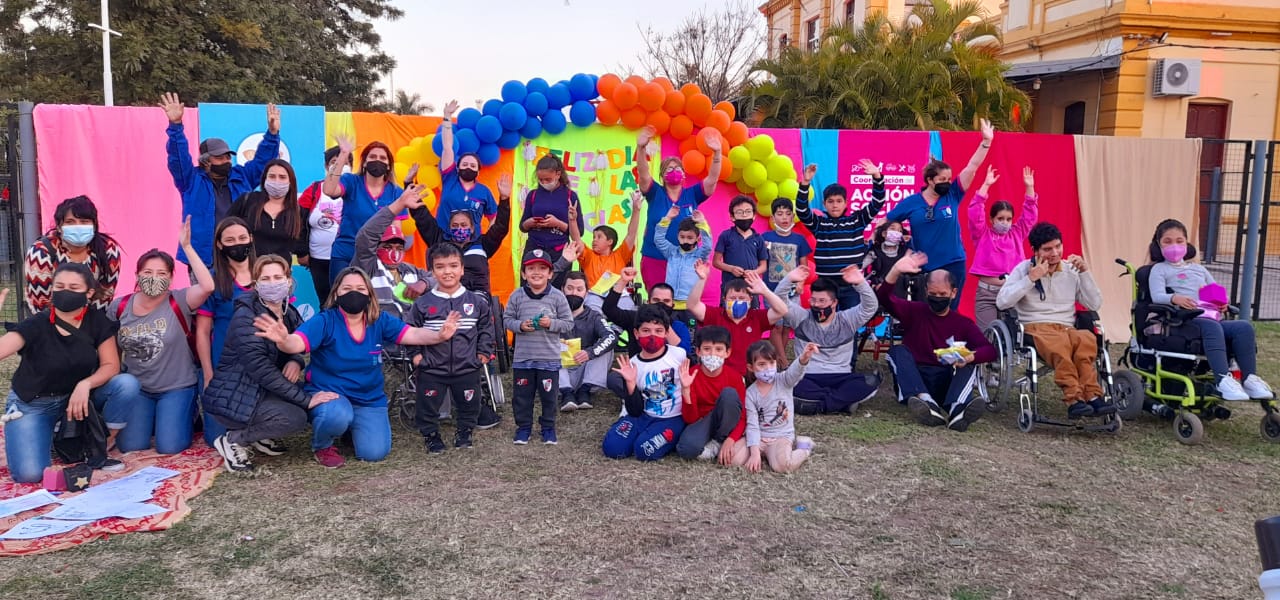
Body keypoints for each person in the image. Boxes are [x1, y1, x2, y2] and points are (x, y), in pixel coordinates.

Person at [253, 267, 461, 467]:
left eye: (361, 289)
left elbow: (412, 334)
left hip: (368, 398)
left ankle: (350, 430)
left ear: (370, 294)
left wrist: (439, 336)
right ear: (336, 293)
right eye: (347, 289)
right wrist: (282, 340)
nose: (354, 294)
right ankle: (323, 446)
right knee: (337, 415)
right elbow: (296, 343)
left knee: (375, 453)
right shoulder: (325, 321)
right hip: (330, 395)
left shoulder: (379, 320)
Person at [2, 266, 139, 482]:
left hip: (77, 400)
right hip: (33, 403)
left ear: (89, 293)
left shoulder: (97, 321)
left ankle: (103, 442)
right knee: (30, 474)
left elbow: (111, 365)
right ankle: (54, 434)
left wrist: (85, 384)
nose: (65, 292)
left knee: (126, 384)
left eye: (74, 287)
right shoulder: (36, 324)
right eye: (60, 287)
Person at [204, 255, 332, 472]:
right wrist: (306, 400)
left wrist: (295, 361)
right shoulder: (246, 316)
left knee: (309, 400)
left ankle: (260, 436)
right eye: (266, 278)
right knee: (296, 417)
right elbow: (260, 369)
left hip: (262, 390)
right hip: (239, 392)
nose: (273, 283)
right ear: (256, 284)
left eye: (278, 277)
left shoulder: (288, 312)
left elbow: (297, 344)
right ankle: (234, 439)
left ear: (289, 281)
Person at [109, 218, 215, 454]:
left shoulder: (179, 300)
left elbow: (207, 286)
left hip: (177, 386)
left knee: (170, 446)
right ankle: (156, 419)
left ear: (170, 277)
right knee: (131, 446)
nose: (154, 277)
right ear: (136, 275)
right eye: (147, 272)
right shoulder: (119, 307)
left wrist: (187, 247)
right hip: (139, 388)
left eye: (161, 273)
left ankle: (186, 414)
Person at [995, 223, 1116, 416]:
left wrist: (1085, 273)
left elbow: (1094, 304)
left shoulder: (1071, 270)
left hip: (1066, 328)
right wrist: (1030, 279)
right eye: (1047, 249)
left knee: (1085, 340)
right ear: (1035, 250)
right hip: (1035, 327)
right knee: (1060, 345)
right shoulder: (1023, 269)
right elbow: (1002, 302)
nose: (1055, 253)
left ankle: (1093, 395)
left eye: (1058, 246)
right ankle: (1073, 398)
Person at [1146, 218, 1273, 401]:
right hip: (1181, 319)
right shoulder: (1159, 269)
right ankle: (1222, 380)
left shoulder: (1199, 269)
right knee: (1212, 327)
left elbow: (1215, 292)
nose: (1174, 245)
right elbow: (1157, 296)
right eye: (1168, 241)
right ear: (1158, 245)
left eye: (1179, 241)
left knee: (1244, 327)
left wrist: (1222, 302)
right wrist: (1175, 298)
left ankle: (1250, 379)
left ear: (1186, 243)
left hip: (1208, 315)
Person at [160, 93, 279, 271]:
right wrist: (176, 126)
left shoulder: (242, 176)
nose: (226, 161)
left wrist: (272, 133)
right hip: (204, 257)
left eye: (227, 157)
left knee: (242, 298)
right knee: (205, 298)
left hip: (240, 255)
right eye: (220, 158)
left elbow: (263, 161)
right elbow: (178, 157)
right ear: (206, 160)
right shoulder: (190, 180)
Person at [881, 251, 998, 430]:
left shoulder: (963, 323)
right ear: (926, 292)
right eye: (933, 293)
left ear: (953, 293)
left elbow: (989, 351)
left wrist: (969, 357)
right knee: (897, 352)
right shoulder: (914, 311)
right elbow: (884, 298)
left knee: (971, 360)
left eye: (942, 293)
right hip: (915, 379)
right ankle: (925, 401)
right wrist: (896, 270)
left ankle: (956, 408)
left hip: (945, 379)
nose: (937, 298)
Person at [887, 119, 995, 308]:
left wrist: (986, 142)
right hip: (925, 268)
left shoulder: (953, 194)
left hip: (954, 263)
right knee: (928, 313)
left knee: (950, 313)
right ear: (930, 180)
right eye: (942, 179)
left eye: (949, 178)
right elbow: (887, 221)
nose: (947, 181)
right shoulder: (911, 202)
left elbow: (972, 166)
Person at [406, 243, 495, 454]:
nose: (448, 271)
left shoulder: (475, 301)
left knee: (470, 404)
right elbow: (409, 331)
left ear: (462, 269)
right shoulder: (423, 303)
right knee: (427, 405)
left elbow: (486, 328)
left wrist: (482, 353)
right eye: (440, 266)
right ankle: (431, 435)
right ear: (432, 271)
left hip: (467, 368)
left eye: (454, 265)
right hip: (432, 369)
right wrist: (416, 357)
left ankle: (464, 432)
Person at [775, 265, 880, 414]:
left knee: (871, 382)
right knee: (786, 382)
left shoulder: (848, 319)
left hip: (841, 376)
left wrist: (860, 283)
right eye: (813, 300)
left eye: (822, 301)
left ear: (834, 303)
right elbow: (778, 301)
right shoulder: (801, 317)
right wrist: (790, 279)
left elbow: (870, 307)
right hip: (807, 376)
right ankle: (842, 403)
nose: (816, 305)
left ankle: (818, 405)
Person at [503, 249, 575, 445]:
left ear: (550, 274)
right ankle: (523, 428)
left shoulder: (558, 296)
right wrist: (520, 326)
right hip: (523, 360)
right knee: (522, 397)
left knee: (549, 397)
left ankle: (548, 428)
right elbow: (506, 319)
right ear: (524, 273)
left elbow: (568, 323)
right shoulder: (517, 295)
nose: (537, 272)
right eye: (531, 268)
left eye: (542, 268)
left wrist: (550, 324)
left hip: (549, 360)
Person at [195, 217, 256, 445]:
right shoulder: (213, 280)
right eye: (230, 240)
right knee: (217, 439)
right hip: (222, 367)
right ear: (220, 245)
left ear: (251, 239)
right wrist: (209, 373)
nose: (237, 244)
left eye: (242, 238)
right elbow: (202, 332)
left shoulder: (266, 275)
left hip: (259, 367)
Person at [636, 126, 721, 287]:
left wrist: (717, 154)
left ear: (683, 174)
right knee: (658, 303)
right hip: (655, 258)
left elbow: (712, 179)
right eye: (669, 168)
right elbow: (643, 172)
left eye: (678, 168)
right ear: (662, 176)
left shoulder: (692, 194)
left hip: (687, 259)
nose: (674, 171)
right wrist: (640, 148)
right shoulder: (655, 192)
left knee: (682, 302)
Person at [794, 160, 886, 310]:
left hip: (851, 285)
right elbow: (802, 211)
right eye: (830, 201)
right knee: (825, 325)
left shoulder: (857, 220)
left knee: (849, 325)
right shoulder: (820, 224)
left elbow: (877, 202)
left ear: (846, 203)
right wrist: (805, 182)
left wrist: (876, 176)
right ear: (824, 204)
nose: (834, 205)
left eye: (838, 201)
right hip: (826, 284)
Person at [602, 305, 688, 461]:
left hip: (672, 418)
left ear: (667, 333)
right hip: (643, 415)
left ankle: (669, 436)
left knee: (644, 451)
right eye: (646, 330)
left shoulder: (679, 355)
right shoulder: (634, 364)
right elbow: (634, 410)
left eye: (658, 331)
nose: (652, 336)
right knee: (613, 449)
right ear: (636, 333)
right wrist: (630, 383)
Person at [406, 174, 514, 295]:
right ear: (449, 228)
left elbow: (500, 228)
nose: (460, 228)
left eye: (463, 225)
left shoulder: (483, 244)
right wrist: (408, 185)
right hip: (445, 298)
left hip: (478, 300)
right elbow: (423, 218)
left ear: (472, 228)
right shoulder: (439, 241)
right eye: (455, 226)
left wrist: (504, 199)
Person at [320, 135, 404, 282]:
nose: (377, 160)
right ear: (364, 163)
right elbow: (328, 190)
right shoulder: (352, 181)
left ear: (389, 165)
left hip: (377, 257)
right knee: (340, 298)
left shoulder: (397, 192)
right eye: (372, 156)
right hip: (345, 253)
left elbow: (395, 233)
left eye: (383, 158)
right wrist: (343, 155)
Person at [687, 263, 790, 377]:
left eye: (742, 298)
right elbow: (692, 306)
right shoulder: (716, 315)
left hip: (750, 377)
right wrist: (702, 279)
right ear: (724, 299)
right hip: (721, 375)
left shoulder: (757, 317)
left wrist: (764, 291)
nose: (737, 301)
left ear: (750, 300)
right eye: (732, 298)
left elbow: (782, 310)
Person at [968, 166, 1039, 332]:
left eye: (1008, 219)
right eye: (1000, 218)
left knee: (1011, 335)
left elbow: (1030, 216)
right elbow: (974, 211)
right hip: (986, 295)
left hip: (1011, 292)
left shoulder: (1016, 233)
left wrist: (1029, 187)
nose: (1005, 222)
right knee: (987, 335)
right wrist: (986, 185)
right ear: (992, 219)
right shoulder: (982, 234)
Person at [25, 195, 123, 314]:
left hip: (91, 321)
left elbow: (105, 296)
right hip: (48, 322)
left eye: (84, 222)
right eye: (70, 222)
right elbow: (41, 303)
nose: (78, 226)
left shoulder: (108, 249)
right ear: (59, 227)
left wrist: (89, 327)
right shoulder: (41, 252)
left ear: (94, 225)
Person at [354, 186, 434, 320]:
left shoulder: (410, 270)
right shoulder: (368, 266)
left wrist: (424, 283)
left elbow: (439, 279)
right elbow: (366, 235)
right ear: (377, 247)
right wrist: (399, 204)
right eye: (387, 246)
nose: (394, 251)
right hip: (381, 334)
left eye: (399, 247)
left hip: (411, 333)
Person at [742, 340, 820, 474]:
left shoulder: (784, 381)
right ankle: (764, 454)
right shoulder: (750, 393)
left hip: (780, 436)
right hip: (760, 437)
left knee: (783, 466)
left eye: (771, 363)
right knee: (734, 459)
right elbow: (752, 424)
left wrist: (804, 358)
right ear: (750, 367)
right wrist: (754, 452)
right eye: (761, 364)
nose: (768, 368)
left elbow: (794, 373)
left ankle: (804, 448)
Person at [674, 326, 747, 465]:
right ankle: (715, 444)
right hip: (703, 421)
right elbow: (691, 419)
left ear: (727, 352)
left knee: (729, 394)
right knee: (686, 449)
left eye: (719, 349)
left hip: (726, 420)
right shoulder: (691, 375)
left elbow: (743, 415)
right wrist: (686, 389)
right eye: (707, 349)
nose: (713, 354)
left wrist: (730, 439)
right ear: (698, 352)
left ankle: (719, 441)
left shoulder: (735, 377)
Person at [567, 189, 644, 307]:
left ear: (610, 241)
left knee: (629, 311)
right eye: (593, 237)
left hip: (618, 294)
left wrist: (636, 210)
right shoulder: (588, 255)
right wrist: (572, 220)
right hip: (594, 295)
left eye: (599, 237)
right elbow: (576, 238)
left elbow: (631, 233)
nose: (594, 240)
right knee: (592, 311)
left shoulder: (621, 254)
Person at [436, 100, 499, 236]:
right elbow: (447, 147)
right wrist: (447, 116)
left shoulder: (484, 192)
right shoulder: (450, 180)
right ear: (457, 168)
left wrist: (488, 240)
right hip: (443, 242)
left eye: (472, 166)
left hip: (472, 246)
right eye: (464, 165)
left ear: (477, 171)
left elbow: (494, 217)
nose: (468, 168)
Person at [230, 159, 309, 265]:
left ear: (291, 182)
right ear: (264, 179)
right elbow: (226, 228)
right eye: (272, 176)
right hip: (247, 272)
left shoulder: (298, 212)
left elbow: (301, 248)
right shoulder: (247, 201)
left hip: (279, 275)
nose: (277, 181)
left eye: (282, 177)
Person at [602, 268, 690, 365]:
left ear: (672, 305)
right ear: (648, 302)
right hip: (636, 374)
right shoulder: (634, 318)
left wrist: (664, 322)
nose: (661, 304)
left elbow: (686, 356)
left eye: (666, 301)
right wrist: (623, 281)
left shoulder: (679, 326)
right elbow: (609, 309)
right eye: (656, 300)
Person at [763, 198, 812, 365]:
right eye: (780, 214)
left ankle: (778, 357)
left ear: (793, 216)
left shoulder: (799, 240)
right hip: (771, 290)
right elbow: (761, 263)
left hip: (792, 292)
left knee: (787, 327)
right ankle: (783, 361)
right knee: (776, 325)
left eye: (788, 214)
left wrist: (800, 284)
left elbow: (804, 266)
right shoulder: (765, 238)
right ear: (773, 217)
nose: (784, 217)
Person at [558, 272, 618, 412]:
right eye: (570, 288)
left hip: (586, 371)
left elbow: (611, 337)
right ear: (562, 289)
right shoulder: (552, 315)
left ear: (587, 293)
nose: (574, 293)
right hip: (560, 372)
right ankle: (566, 393)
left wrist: (589, 353)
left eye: (579, 289)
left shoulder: (594, 316)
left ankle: (585, 391)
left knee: (607, 348)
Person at [299, 145, 352, 301]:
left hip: (350, 258)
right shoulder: (314, 189)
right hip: (319, 259)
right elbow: (299, 220)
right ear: (326, 166)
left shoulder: (356, 188)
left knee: (347, 300)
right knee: (326, 302)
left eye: (344, 162)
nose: (340, 165)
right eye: (334, 161)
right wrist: (301, 252)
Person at [520, 154, 583, 261]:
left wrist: (557, 223)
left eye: (548, 179)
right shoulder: (533, 194)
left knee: (559, 278)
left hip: (560, 251)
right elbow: (522, 226)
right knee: (532, 277)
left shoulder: (570, 196)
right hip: (534, 249)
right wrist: (530, 222)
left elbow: (579, 232)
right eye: (541, 180)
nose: (544, 183)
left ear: (558, 174)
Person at [653, 206, 712, 310]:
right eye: (682, 237)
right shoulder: (672, 252)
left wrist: (702, 223)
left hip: (690, 304)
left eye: (690, 238)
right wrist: (668, 218)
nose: (685, 241)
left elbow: (707, 245)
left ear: (698, 239)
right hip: (670, 303)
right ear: (677, 236)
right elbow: (658, 240)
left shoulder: (700, 255)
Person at [713, 195, 768, 302]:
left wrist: (754, 272)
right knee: (727, 315)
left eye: (748, 211)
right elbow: (716, 262)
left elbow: (764, 266)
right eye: (739, 212)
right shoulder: (726, 236)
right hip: (729, 287)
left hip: (751, 287)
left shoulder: (759, 239)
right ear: (732, 217)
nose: (744, 215)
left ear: (754, 215)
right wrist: (731, 269)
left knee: (752, 316)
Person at [864, 220, 921, 299]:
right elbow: (860, 265)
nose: (897, 232)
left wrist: (910, 243)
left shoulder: (905, 251)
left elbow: (917, 266)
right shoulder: (874, 251)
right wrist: (872, 237)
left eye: (900, 231)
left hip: (899, 293)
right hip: (879, 291)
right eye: (893, 229)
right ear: (884, 234)